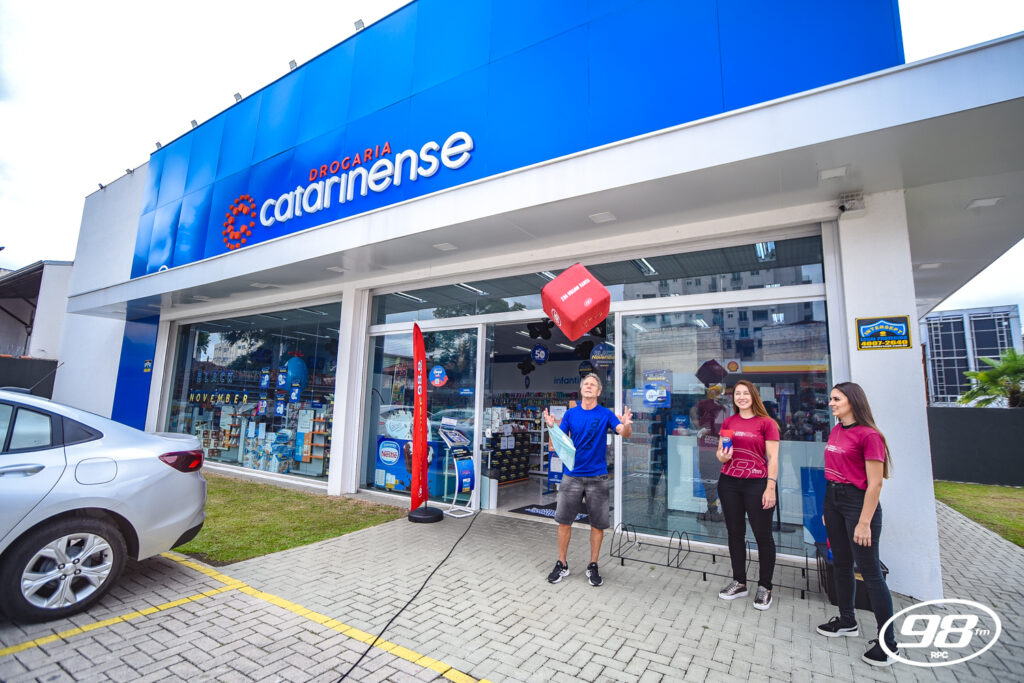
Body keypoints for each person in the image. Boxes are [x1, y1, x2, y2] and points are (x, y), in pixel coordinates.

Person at [815, 382, 898, 667]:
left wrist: (864, 522)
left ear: (852, 401)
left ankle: (888, 644)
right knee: (841, 563)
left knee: (870, 572)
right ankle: (847, 620)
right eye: (831, 399)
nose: (831, 403)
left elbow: (875, 484)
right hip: (834, 500)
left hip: (857, 503)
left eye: (836, 399)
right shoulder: (837, 430)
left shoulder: (869, 435)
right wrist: (828, 508)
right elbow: (833, 471)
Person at [542, 372, 632, 587]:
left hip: (597, 477)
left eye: (593, 384)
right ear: (581, 390)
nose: (588, 386)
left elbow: (624, 432)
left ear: (598, 392)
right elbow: (558, 441)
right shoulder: (571, 414)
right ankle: (562, 564)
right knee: (564, 521)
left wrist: (627, 424)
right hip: (571, 475)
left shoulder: (605, 414)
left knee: (597, 525)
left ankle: (593, 565)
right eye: (586, 384)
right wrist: (551, 427)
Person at [715, 380, 780, 610]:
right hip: (729, 483)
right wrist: (723, 456)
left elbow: (773, 458)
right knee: (735, 534)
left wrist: (770, 487)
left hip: (757, 484)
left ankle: (765, 587)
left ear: (754, 396)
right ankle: (739, 582)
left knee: (763, 536)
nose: (741, 397)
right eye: (737, 394)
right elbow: (721, 453)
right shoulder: (729, 421)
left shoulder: (767, 423)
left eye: (745, 393)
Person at [692, 384, 728, 522]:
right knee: (713, 483)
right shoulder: (721, 408)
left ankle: (715, 511)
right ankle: (715, 511)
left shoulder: (721, 409)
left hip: (713, 451)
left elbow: (693, 411)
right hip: (709, 451)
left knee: (712, 483)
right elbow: (693, 411)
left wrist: (700, 427)